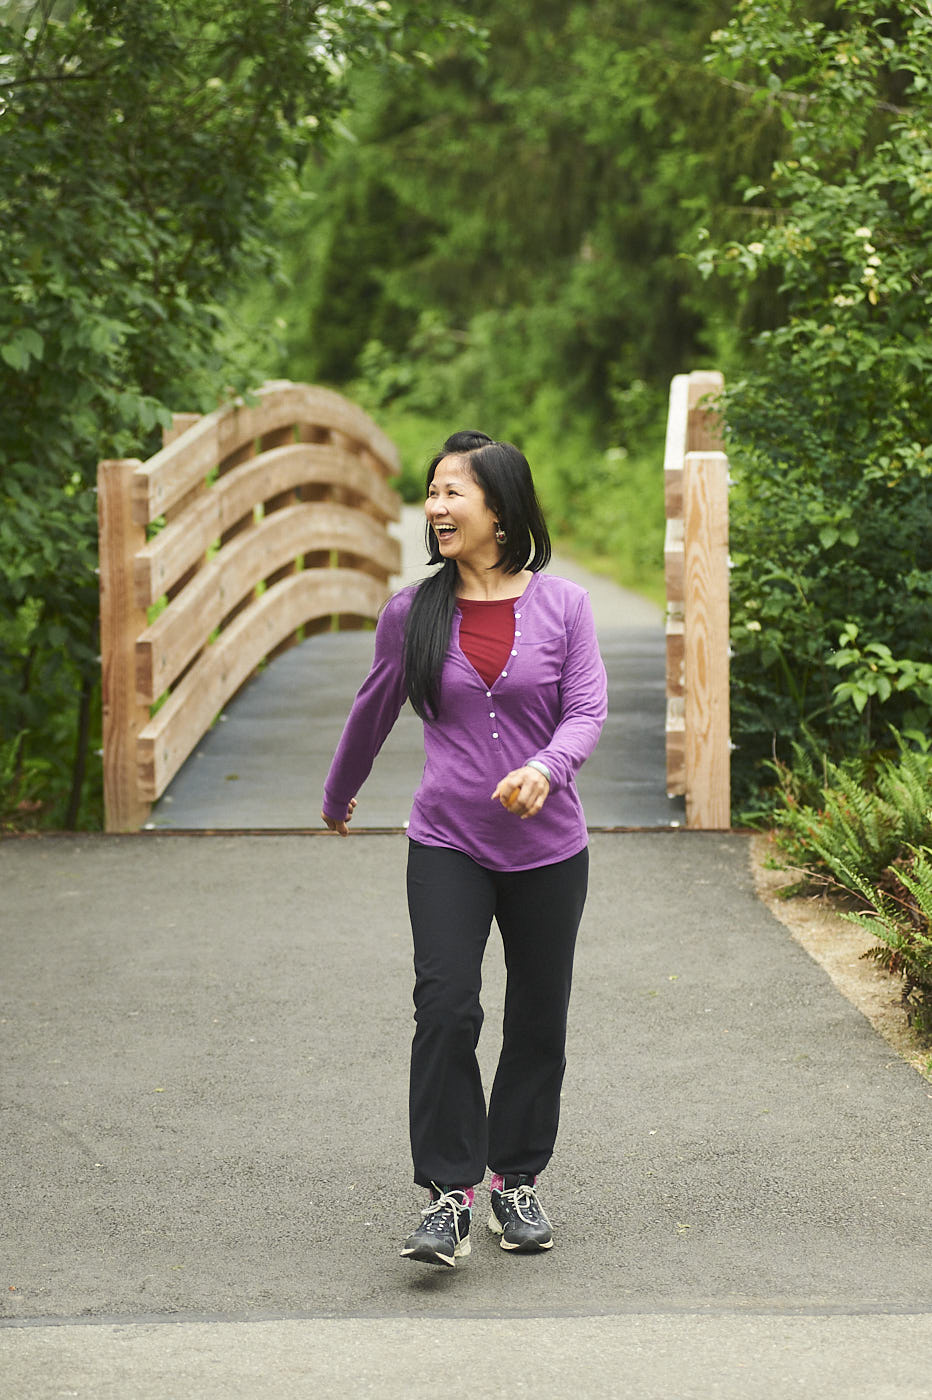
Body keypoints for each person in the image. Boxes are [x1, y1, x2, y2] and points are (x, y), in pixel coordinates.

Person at [321, 430, 607, 1268]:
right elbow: (374, 706)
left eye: (455, 492)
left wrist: (545, 768)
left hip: (550, 847)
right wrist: (338, 794)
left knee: (537, 1019)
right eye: (433, 493)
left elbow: (585, 712)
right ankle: (448, 1196)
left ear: (501, 508)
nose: (437, 507)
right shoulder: (414, 612)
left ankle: (513, 1180)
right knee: (446, 1008)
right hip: (447, 840)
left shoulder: (565, 608)